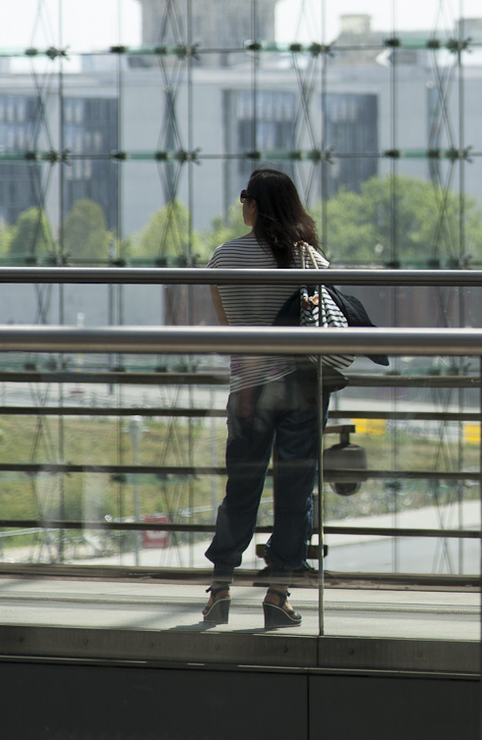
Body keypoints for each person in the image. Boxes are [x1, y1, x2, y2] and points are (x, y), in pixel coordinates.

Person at [201, 168, 338, 629]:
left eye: (244, 197)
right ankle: (277, 593)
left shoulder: (224, 257)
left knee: (241, 488)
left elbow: (230, 334)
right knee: (295, 490)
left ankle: (220, 588)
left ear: (255, 206)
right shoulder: (308, 258)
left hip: (248, 391)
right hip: (300, 389)